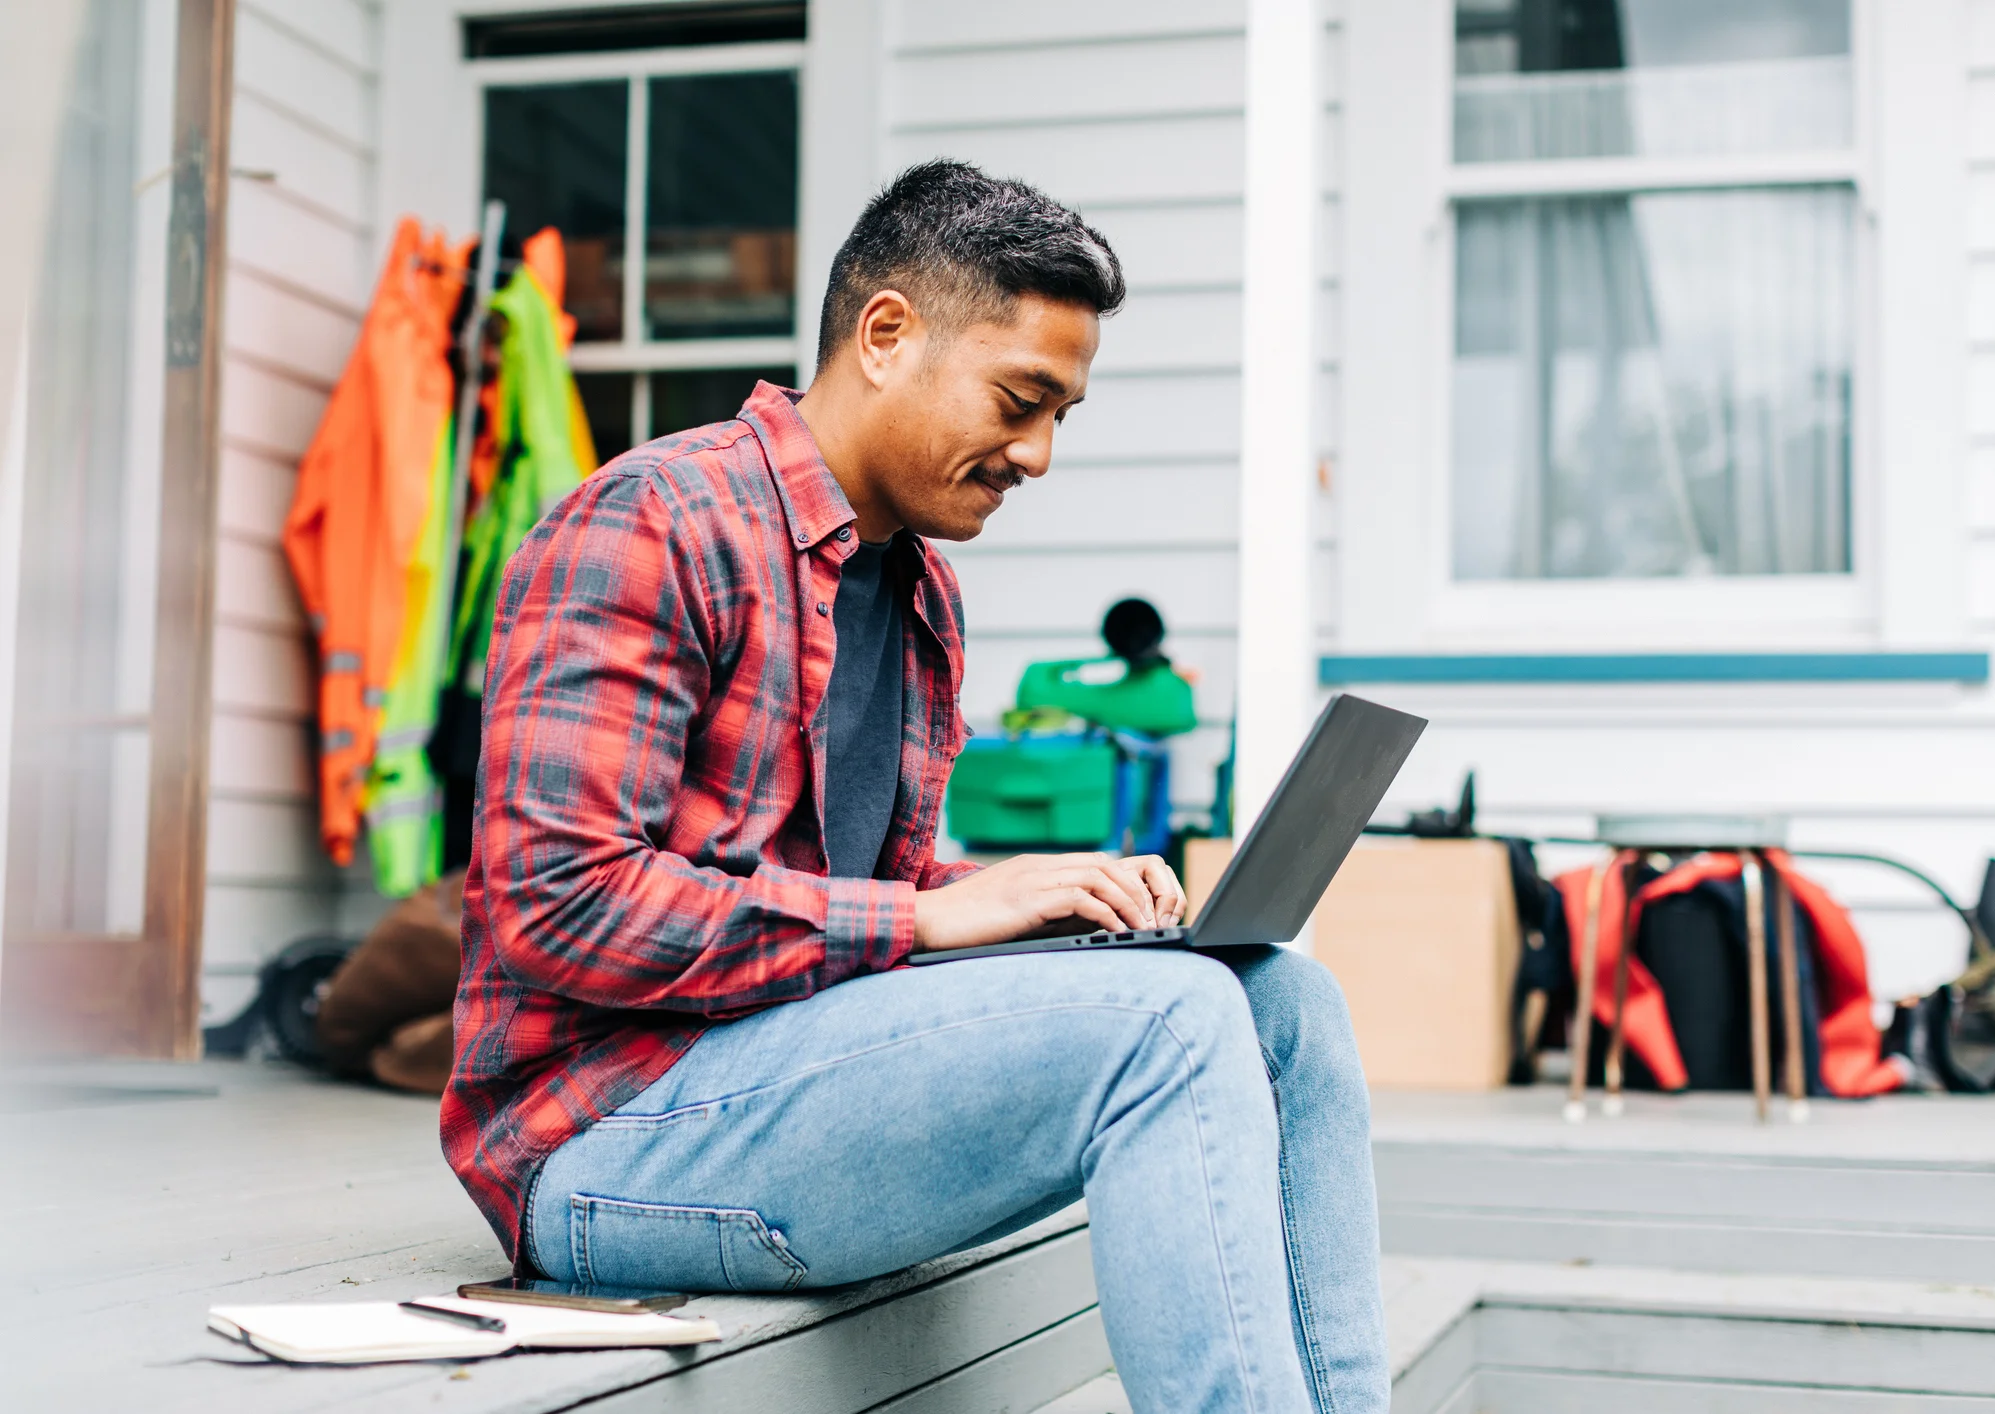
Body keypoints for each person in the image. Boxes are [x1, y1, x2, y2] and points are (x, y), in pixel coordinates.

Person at [443, 160, 1390, 1413]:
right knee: (1168, 1028)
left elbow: (847, 905)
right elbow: (558, 903)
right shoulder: (651, 522)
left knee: (1278, 1000)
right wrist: (929, 915)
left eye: (1064, 413)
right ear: (886, 335)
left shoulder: (917, 588)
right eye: (1020, 398)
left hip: (781, 1072)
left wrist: (1003, 897)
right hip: (602, 1138)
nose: (1040, 454)